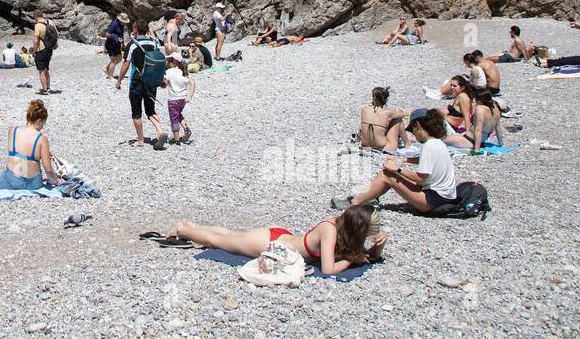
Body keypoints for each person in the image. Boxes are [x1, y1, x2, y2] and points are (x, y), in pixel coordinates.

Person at [163, 205, 385, 276]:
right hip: (271, 244)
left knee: (230, 235)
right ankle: (183, 230)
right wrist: (351, 259)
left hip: (280, 239)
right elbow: (328, 269)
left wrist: (377, 250)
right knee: (217, 241)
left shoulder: (340, 226)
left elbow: (362, 256)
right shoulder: (330, 230)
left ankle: (193, 227)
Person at [332, 108, 457, 213]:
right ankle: (369, 197)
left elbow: (420, 178)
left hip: (433, 201)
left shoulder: (429, 146)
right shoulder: (437, 143)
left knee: (387, 175)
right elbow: (425, 161)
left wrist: (397, 169)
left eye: (413, 130)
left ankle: (355, 202)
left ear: (418, 126)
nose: (413, 134)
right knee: (388, 174)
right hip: (444, 197)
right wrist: (404, 159)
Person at [0, 99, 62, 190]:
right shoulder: (42, 139)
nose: (42, 127)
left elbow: (21, 152)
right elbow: (48, 170)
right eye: (43, 124)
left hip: (11, 182)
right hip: (34, 185)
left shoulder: (12, 131)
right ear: (39, 121)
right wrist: (56, 181)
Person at [115, 19, 168, 150]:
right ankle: (160, 131)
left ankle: (140, 140)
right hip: (151, 81)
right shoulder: (155, 42)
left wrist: (119, 80)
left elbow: (126, 64)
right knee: (150, 110)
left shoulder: (132, 44)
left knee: (136, 112)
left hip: (136, 82)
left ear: (135, 29)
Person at [445, 87, 502, 153]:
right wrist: (500, 143)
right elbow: (497, 128)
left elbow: (478, 130)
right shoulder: (495, 108)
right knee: (451, 137)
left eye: (475, 99)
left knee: (441, 140)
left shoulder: (479, 109)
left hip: (470, 141)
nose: (474, 101)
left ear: (479, 100)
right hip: (480, 141)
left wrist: (476, 150)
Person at [358, 86, 409, 152]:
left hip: (365, 145)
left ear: (373, 97)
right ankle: (408, 144)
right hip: (384, 148)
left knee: (380, 125)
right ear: (385, 99)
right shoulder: (388, 113)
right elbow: (408, 113)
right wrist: (402, 112)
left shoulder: (364, 110)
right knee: (397, 119)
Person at [163, 56, 195, 144]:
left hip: (173, 99)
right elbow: (192, 83)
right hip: (183, 99)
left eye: (168, 60)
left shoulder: (169, 72)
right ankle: (186, 128)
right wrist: (190, 96)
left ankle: (176, 140)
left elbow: (164, 85)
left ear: (173, 62)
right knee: (177, 114)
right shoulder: (184, 71)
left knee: (174, 119)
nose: (167, 62)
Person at [32, 12, 53, 94]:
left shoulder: (37, 25)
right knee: (46, 68)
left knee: (41, 71)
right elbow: (57, 34)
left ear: (35, 17)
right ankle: (48, 87)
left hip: (41, 49)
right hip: (49, 49)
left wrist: (34, 51)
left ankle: (45, 90)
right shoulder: (50, 22)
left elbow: (36, 40)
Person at [104, 12, 128, 79]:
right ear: (120, 20)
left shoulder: (122, 25)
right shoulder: (113, 24)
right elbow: (107, 34)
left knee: (119, 58)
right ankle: (110, 76)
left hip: (117, 44)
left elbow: (121, 34)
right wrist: (116, 38)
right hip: (110, 44)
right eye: (124, 21)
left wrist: (123, 44)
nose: (125, 23)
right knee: (113, 60)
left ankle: (107, 69)